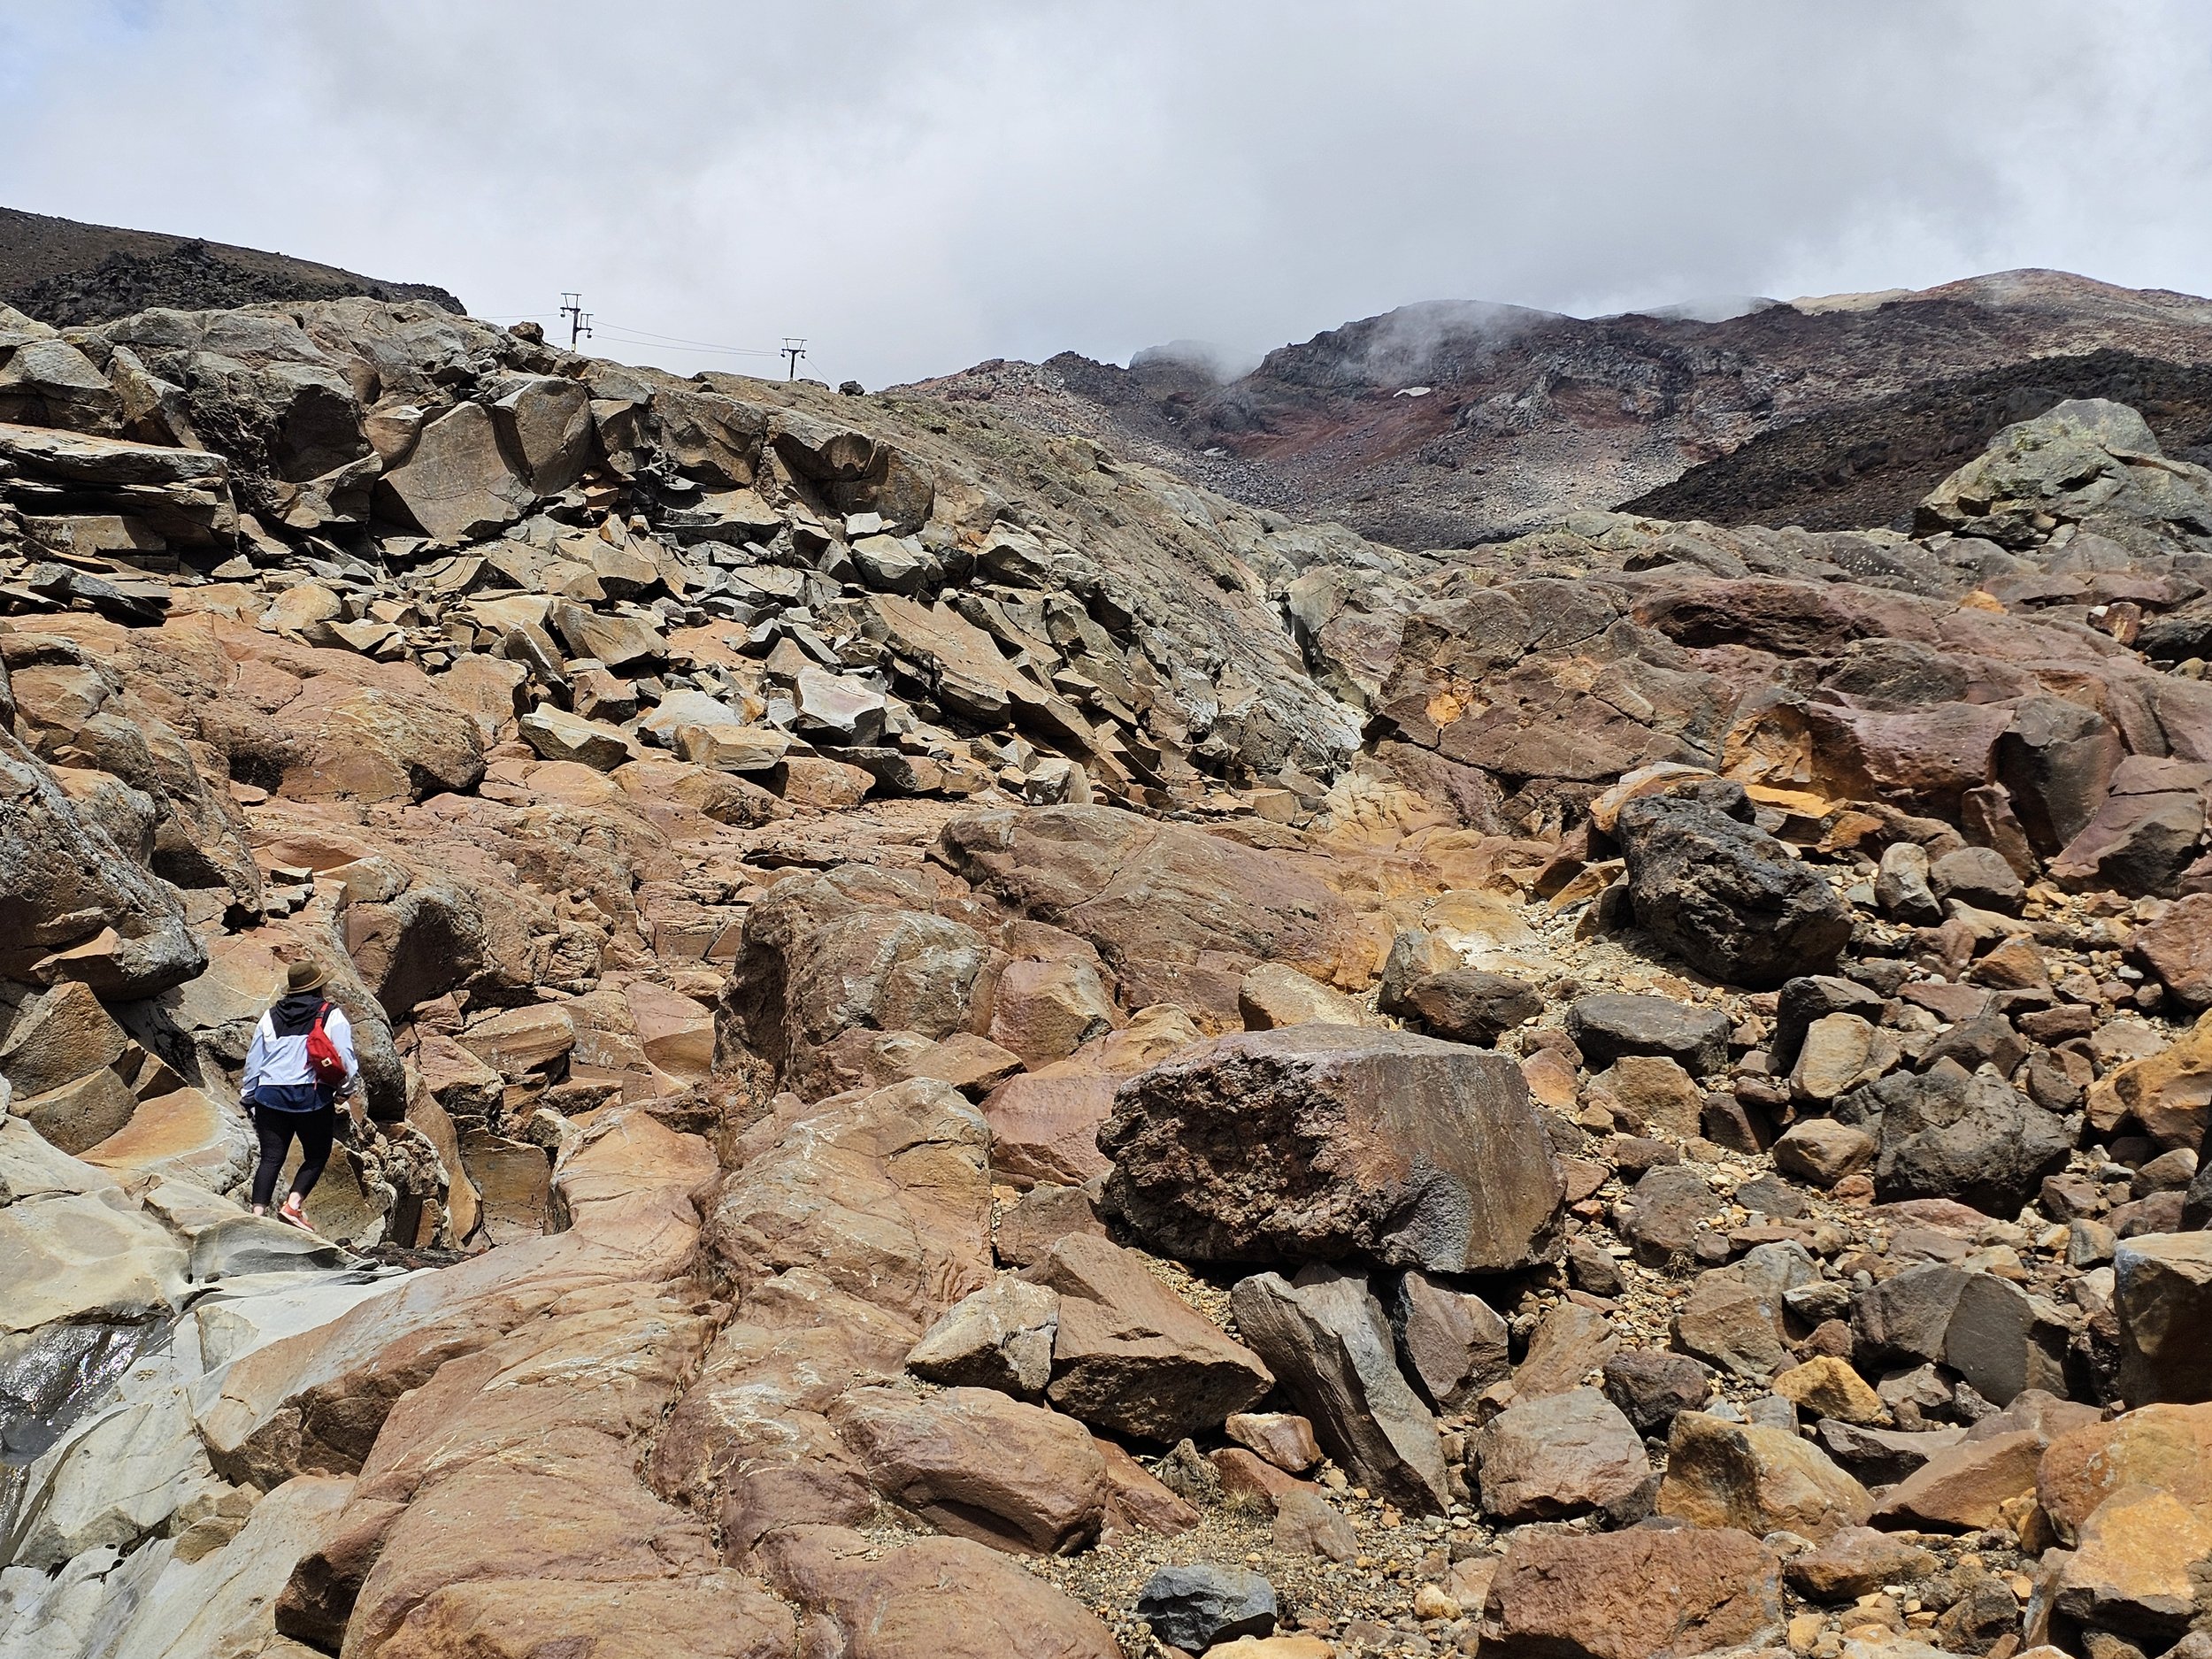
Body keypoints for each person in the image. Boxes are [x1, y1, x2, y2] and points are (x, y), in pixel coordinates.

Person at [240, 960, 360, 1228]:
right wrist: (346, 1089)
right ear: (319, 988)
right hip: (311, 1096)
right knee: (316, 1154)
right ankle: (292, 1206)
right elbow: (345, 1056)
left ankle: (257, 1216)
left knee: (271, 1157)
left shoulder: (270, 1016)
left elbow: (254, 1060)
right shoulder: (330, 1015)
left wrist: (248, 1094)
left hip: (270, 1095)